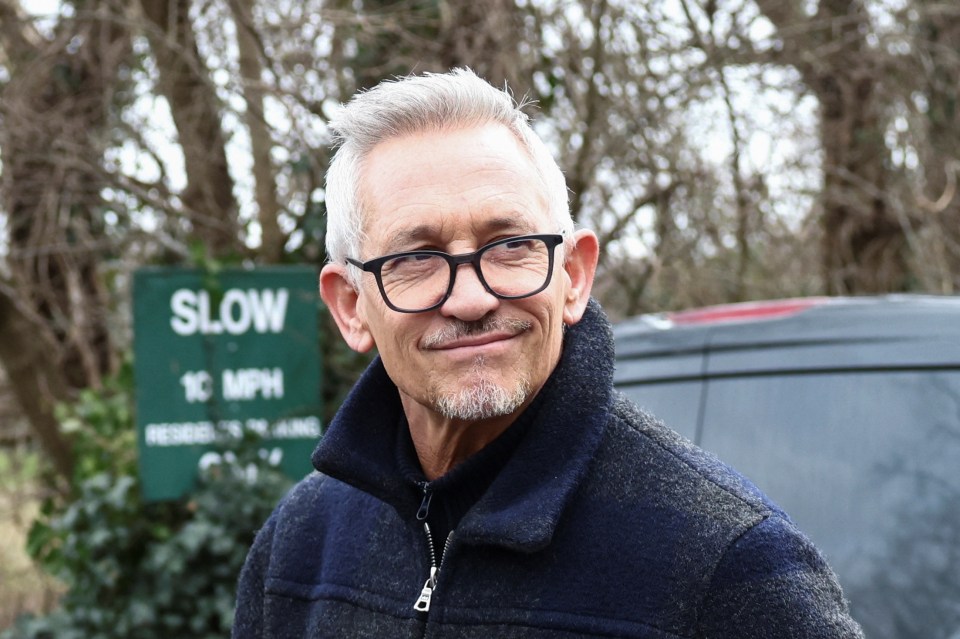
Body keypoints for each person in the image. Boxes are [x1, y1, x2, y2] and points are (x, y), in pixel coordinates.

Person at [233, 68, 863, 638]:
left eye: (509, 245)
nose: (473, 298)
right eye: (417, 258)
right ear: (350, 305)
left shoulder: (724, 562)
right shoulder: (302, 546)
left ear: (575, 277)